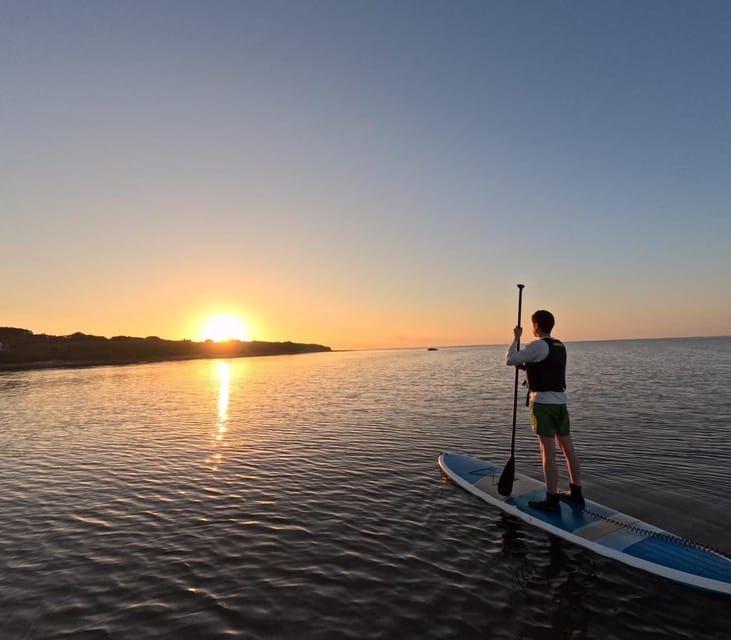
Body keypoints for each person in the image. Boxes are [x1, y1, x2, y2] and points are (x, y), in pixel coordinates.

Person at [505, 309, 584, 513]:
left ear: (537, 326)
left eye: (532, 325)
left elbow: (510, 358)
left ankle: (552, 499)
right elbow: (546, 367)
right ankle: (576, 493)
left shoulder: (537, 345)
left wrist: (516, 337)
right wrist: (527, 369)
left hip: (543, 405)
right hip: (560, 404)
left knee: (547, 452)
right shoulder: (559, 346)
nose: (532, 329)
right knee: (568, 450)